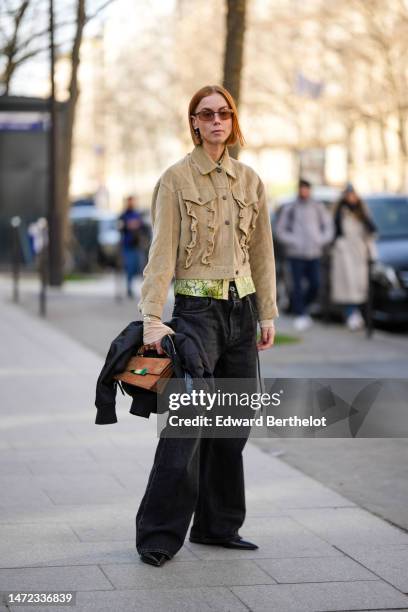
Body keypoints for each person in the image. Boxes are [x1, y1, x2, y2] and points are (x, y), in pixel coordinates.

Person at [136, 84, 278, 567]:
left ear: (232, 120)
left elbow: (262, 253)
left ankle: (218, 527)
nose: (216, 120)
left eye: (223, 113)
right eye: (206, 114)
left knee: (232, 427)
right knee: (187, 426)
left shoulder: (250, 180)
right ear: (193, 122)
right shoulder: (176, 180)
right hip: (195, 316)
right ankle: (158, 535)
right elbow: (160, 255)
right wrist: (152, 319)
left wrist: (268, 312)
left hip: (241, 314)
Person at [275, 179, 334, 331]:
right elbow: (280, 230)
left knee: (316, 284)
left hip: (314, 252)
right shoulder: (291, 208)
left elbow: (328, 226)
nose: (304, 192)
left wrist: (320, 240)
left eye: (306, 189)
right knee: (297, 285)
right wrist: (293, 241)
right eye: (302, 189)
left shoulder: (318, 207)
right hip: (296, 254)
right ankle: (300, 314)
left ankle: (302, 308)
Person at [331, 184, 377, 330]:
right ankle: (351, 315)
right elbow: (333, 232)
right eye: (348, 195)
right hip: (344, 253)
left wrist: (372, 253)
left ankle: (355, 314)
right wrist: (337, 246)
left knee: (359, 285)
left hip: (359, 252)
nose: (351, 197)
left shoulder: (362, 211)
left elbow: (370, 233)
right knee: (348, 285)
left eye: (353, 194)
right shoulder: (339, 212)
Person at [118, 195, 144, 297]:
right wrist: (128, 225)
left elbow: (141, 226)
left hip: (137, 244)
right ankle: (129, 288)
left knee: (137, 266)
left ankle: (135, 287)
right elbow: (120, 227)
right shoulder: (123, 215)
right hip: (127, 244)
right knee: (129, 267)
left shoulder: (137, 214)